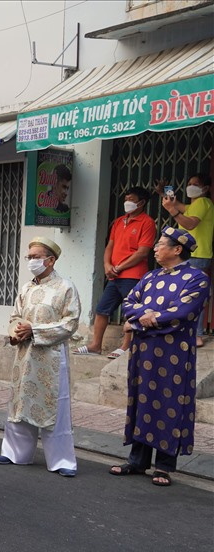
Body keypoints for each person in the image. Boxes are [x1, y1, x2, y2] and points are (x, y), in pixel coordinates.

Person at [110, 227, 211, 487]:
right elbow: (129, 303)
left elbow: (183, 312)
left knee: (170, 403)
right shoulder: (150, 276)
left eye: (161, 244)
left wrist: (141, 324)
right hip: (143, 352)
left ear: (177, 249)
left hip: (174, 354)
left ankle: (164, 467)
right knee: (142, 400)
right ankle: (137, 460)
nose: (155, 248)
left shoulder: (196, 278)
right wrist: (149, 315)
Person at [0, 237, 80, 477]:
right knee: (21, 401)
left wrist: (36, 330)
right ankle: (14, 452)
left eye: (36, 257)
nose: (31, 261)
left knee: (55, 406)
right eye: (29, 257)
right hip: (24, 354)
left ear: (50, 260)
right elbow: (15, 316)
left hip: (51, 357)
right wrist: (15, 333)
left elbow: (70, 323)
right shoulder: (26, 288)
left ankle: (62, 459)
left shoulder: (65, 287)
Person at [76, 187, 155, 358]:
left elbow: (142, 252)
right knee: (102, 309)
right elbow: (110, 246)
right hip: (114, 276)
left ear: (142, 203)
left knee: (131, 312)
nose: (127, 202)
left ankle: (125, 347)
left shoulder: (147, 223)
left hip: (133, 276)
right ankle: (96, 345)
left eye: (132, 199)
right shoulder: (119, 221)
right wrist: (106, 265)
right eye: (126, 198)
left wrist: (118, 267)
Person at [160, 173, 213, 346]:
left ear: (205, 188)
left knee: (193, 294)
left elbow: (190, 223)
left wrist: (171, 210)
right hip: (193, 255)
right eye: (189, 183)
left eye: (195, 184)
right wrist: (164, 194)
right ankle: (188, 331)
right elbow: (177, 205)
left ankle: (196, 334)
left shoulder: (203, 203)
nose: (191, 186)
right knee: (185, 293)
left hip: (198, 255)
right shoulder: (193, 205)